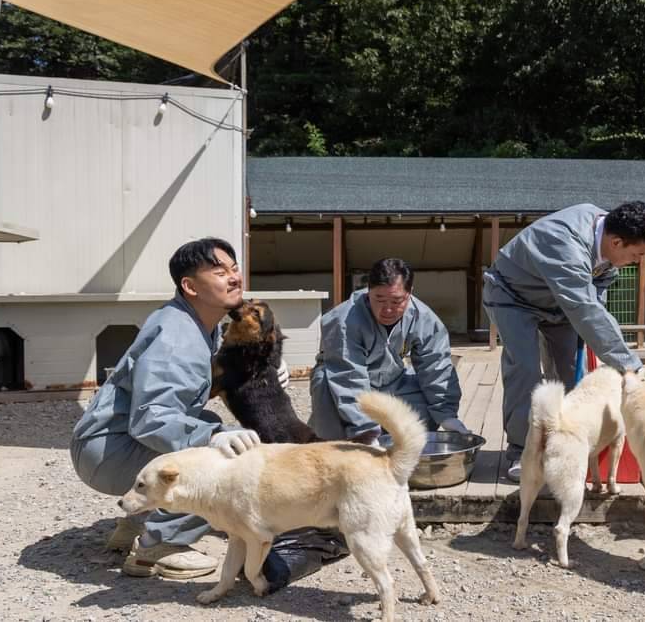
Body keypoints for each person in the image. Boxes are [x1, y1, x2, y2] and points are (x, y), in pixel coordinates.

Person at [70, 238, 286, 579]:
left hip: (110, 441)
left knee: (207, 422)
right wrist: (212, 437)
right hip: (109, 451)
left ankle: (137, 521)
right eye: (219, 271)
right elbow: (151, 417)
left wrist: (258, 373)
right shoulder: (176, 337)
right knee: (220, 461)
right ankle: (159, 546)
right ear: (190, 286)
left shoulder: (196, 322)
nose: (234, 278)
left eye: (234, 268)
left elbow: (192, 386)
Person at [483, 201, 645, 481]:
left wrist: (594, 325)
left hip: (560, 303)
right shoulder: (563, 242)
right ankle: (522, 451)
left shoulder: (606, 236)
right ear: (616, 242)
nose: (638, 261)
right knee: (525, 369)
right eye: (636, 254)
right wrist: (632, 367)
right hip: (512, 297)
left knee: (570, 374)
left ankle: (562, 445)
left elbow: (598, 291)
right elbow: (585, 310)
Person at [309, 257, 466, 441]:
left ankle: (386, 440)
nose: (388, 310)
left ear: (410, 293)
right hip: (338, 381)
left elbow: (436, 367)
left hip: (392, 380)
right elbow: (349, 378)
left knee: (422, 413)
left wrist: (446, 414)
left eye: (397, 301)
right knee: (333, 436)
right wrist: (366, 433)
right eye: (380, 299)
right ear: (368, 292)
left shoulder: (423, 318)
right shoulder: (343, 320)